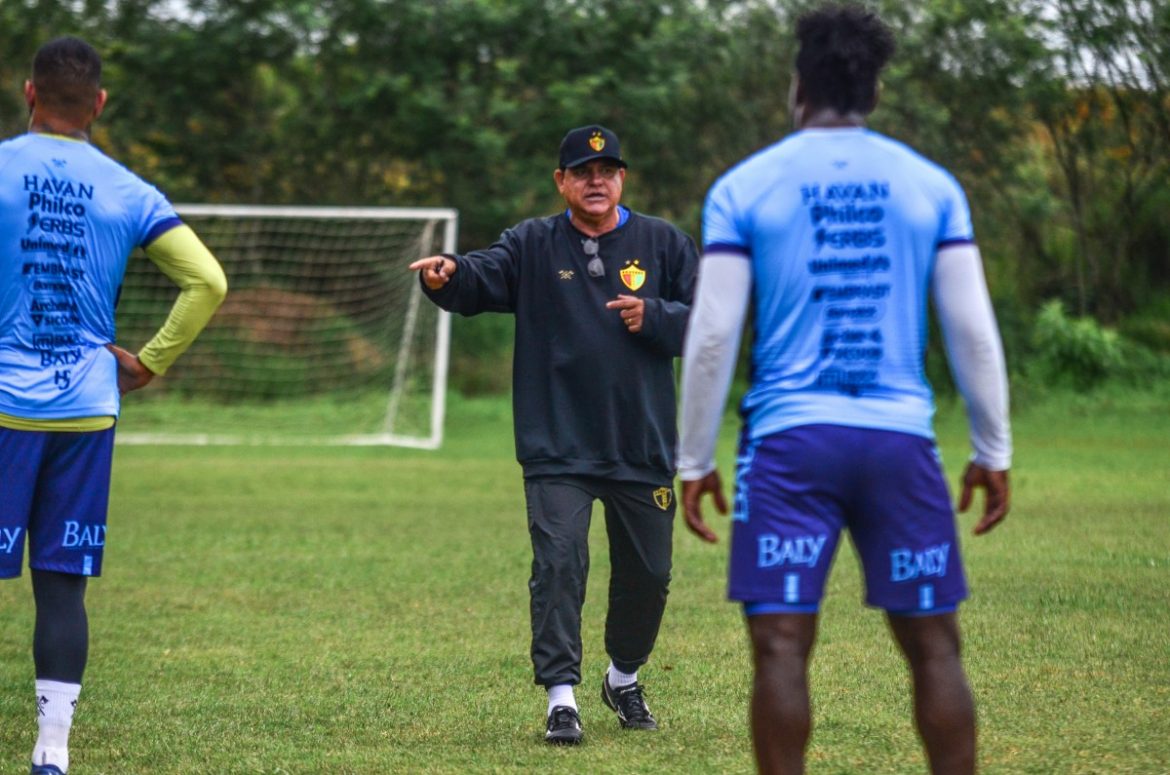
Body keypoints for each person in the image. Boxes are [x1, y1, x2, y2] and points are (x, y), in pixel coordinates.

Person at [677, 5, 1012, 774]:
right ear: (875, 93)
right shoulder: (931, 186)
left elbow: (715, 334)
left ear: (799, 88)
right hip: (900, 441)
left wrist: (693, 457)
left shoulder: (745, 185)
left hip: (792, 443)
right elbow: (972, 329)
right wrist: (993, 447)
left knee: (782, 644)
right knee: (932, 641)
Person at [409, 125, 697, 745]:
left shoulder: (665, 244)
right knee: (559, 563)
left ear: (622, 179)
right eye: (583, 171)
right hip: (558, 444)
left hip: (640, 446)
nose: (597, 180)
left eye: (608, 170)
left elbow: (711, 326)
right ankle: (561, 699)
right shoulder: (533, 244)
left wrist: (658, 317)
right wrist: (446, 275)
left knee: (649, 574)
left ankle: (622, 678)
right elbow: (481, 274)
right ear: (561, 182)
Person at [0, 37, 227, 775]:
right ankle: (52, 751)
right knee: (63, 587)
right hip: (86, 413)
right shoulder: (128, 189)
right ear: (98, 104)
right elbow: (208, 282)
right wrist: (150, 361)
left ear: (29, 94)